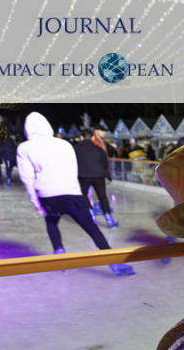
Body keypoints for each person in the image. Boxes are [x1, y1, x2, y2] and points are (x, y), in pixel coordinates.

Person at [16, 112, 135, 276]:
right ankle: (113, 263)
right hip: (72, 193)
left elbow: (27, 178)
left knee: (51, 221)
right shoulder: (64, 144)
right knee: (92, 228)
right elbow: (73, 170)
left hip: (47, 194)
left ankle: (60, 255)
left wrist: (36, 202)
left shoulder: (25, 148)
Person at [75, 129, 118, 228]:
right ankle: (109, 219)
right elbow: (104, 162)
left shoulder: (75, 148)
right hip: (99, 175)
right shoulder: (98, 149)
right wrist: (106, 174)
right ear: (92, 137)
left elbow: (72, 162)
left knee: (83, 196)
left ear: (81, 137)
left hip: (83, 176)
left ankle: (91, 216)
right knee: (102, 197)